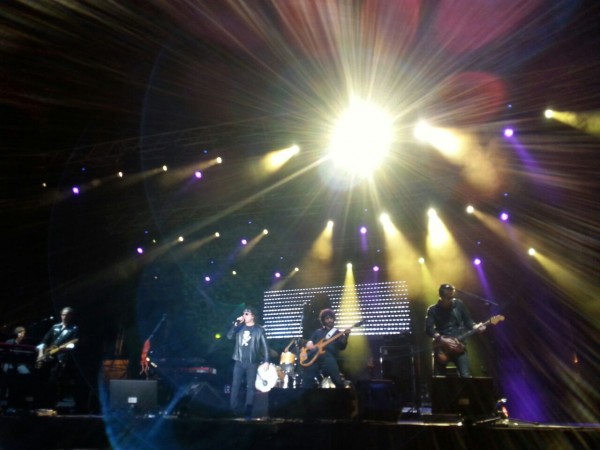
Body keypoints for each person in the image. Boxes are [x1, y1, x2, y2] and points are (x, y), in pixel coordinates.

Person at [425, 284, 485, 377]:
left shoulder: (459, 304)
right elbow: (429, 329)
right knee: (439, 378)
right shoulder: (432, 310)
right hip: (442, 348)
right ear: (441, 296)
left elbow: (468, 320)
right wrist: (442, 339)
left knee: (466, 376)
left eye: (451, 296)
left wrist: (475, 326)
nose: (450, 299)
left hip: (459, 346)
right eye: (447, 297)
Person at [226, 306, 270, 418]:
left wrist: (266, 361)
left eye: (247, 314)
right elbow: (229, 336)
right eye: (244, 313)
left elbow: (265, 346)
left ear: (252, 316)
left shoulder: (259, 329)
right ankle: (233, 409)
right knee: (235, 385)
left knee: (250, 387)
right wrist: (236, 323)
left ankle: (248, 411)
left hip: (252, 362)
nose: (244, 315)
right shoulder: (239, 327)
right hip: (239, 361)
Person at [35, 307, 80, 408]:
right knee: (42, 379)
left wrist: (61, 349)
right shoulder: (55, 326)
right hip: (46, 356)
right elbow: (44, 341)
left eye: (66, 315)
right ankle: (40, 401)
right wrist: (40, 353)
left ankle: (51, 403)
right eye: (62, 315)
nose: (64, 317)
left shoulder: (74, 329)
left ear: (71, 316)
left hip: (60, 357)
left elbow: (73, 345)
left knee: (53, 380)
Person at [301, 308, 350, 389]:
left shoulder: (337, 333)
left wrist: (346, 336)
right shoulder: (317, 332)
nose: (330, 320)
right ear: (323, 320)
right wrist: (309, 343)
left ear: (334, 319)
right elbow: (310, 342)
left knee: (337, 381)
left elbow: (342, 346)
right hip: (315, 359)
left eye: (331, 318)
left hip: (328, 358)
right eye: (327, 318)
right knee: (307, 380)